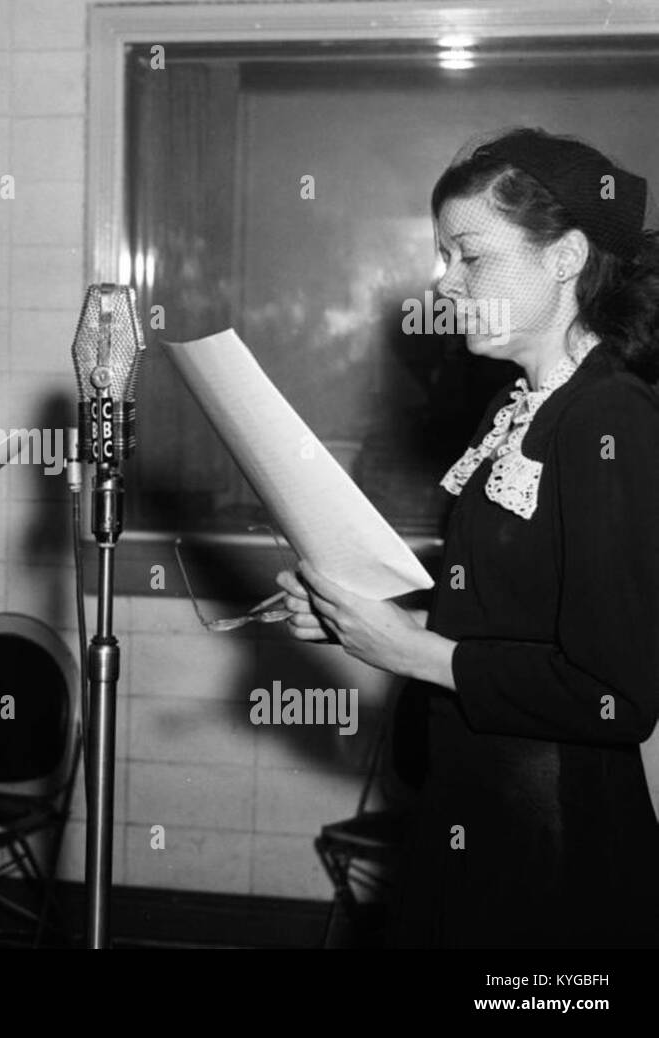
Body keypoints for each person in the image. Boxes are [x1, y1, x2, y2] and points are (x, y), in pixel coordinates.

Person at [277, 128, 659, 947]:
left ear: (565, 258)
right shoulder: (516, 410)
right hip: (480, 810)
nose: (441, 282)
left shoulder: (609, 417)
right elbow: (512, 622)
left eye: (468, 256)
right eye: (441, 256)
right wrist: (378, 619)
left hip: (555, 845)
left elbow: (618, 694)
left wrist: (415, 654)